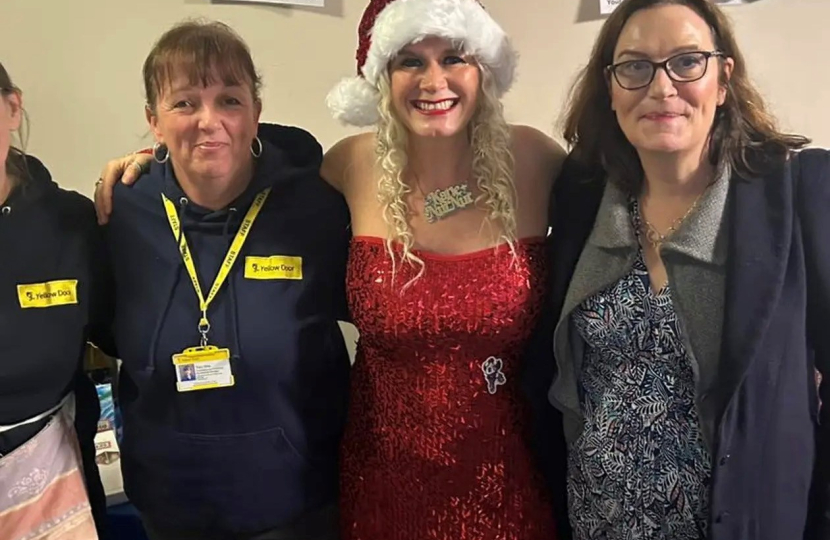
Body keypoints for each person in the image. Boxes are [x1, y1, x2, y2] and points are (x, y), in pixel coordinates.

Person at [95, 1, 567, 538]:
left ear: (484, 66)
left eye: (454, 56)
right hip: (380, 469)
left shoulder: (534, 160)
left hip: (505, 465)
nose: (433, 80)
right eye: (409, 60)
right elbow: (230, 148)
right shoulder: (350, 165)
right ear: (381, 76)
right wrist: (152, 160)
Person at [538, 0, 830, 538]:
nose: (662, 86)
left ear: (722, 79)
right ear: (611, 87)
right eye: (635, 66)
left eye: (686, 61)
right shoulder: (581, 196)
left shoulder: (800, 193)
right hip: (594, 522)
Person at [100, 20, 351, 540]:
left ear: (257, 113)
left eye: (230, 100)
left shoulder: (315, 207)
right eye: (185, 103)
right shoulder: (123, 209)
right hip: (168, 504)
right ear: (153, 121)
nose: (208, 121)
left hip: (296, 504)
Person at [0, 61, 110, 539]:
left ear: (12, 107)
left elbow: (122, 332)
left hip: (54, 483)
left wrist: (154, 172)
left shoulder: (70, 221)